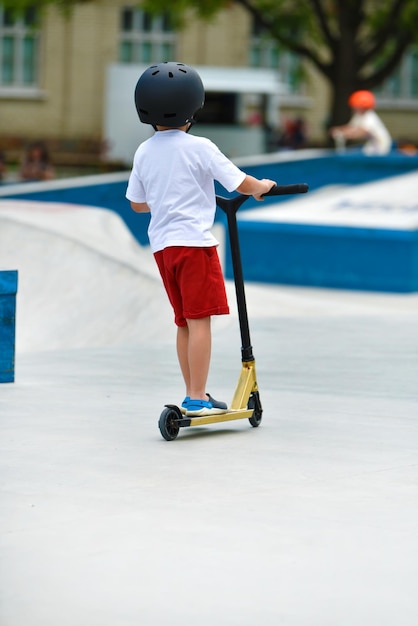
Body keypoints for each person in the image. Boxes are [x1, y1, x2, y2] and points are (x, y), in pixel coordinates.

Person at [126, 62, 276, 417]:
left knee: (184, 321)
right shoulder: (201, 147)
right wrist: (263, 188)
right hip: (194, 244)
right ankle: (195, 397)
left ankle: (195, 392)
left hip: (163, 249)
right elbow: (240, 183)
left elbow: (136, 204)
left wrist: (164, 200)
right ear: (193, 106)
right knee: (200, 321)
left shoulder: (144, 152)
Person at [329, 90, 392, 155]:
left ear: (362, 106)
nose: (353, 108)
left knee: (371, 158)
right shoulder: (358, 116)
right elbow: (351, 127)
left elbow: (361, 132)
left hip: (381, 144)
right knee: (365, 153)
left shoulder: (369, 117)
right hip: (372, 142)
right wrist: (339, 129)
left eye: (355, 106)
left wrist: (345, 135)